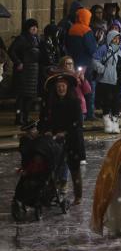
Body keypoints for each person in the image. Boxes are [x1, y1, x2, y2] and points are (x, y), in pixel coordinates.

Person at [40, 74, 86, 204]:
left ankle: (78, 196)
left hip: (72, 140)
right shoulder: (51, 103)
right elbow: (45, 120)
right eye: (58, 86)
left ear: (67, 87)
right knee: (52, 167)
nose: (61, 88)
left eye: (63, 86)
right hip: (55, 141)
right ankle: (52, 193)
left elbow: (77, 122)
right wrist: (47, 130)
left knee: (74, 169)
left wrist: (65, 132)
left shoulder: (74, 102)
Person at [93, 29, 121, 134]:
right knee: (107, 102)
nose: (116, 40)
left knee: (116, 103)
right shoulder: (104, 48)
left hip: (118, 80)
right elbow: (95, 60)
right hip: (106, 81)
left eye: (118, 38)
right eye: (114, 38)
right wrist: (102, 69)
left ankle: (115, 124)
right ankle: (107, 123)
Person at [65, 9, 98, 118]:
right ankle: (90, 113)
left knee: (77, 89)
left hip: (73, 64)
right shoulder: (86, 30)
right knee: (88, 89)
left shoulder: (71, 29)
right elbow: (92, 49)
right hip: (86, 65)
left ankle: (79, 112)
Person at [9, 18, 40, 126]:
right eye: (32, 27)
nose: (35, 29)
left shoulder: (36, 39)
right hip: (23, 71)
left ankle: (26, 117)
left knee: (30, 96)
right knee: (21, 96)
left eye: (36, 27)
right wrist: (18, 63)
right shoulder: (21, 39)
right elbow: (11, 50)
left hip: (33, 71)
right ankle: (19, 117)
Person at [58, 56, 92, 122]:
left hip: (80, 106)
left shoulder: (78, 75)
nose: (70, 65)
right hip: (66, 106)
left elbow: (88, 90)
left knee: (78, 129)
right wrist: (74, 78)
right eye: (68, 63)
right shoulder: (60, 76)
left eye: (71, 63)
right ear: (62, 65)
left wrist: (83, 79)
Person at [39, 23, 62, 88]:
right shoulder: (45, 43)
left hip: (53, 66)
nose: (57, 35)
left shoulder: (54, 41)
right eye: (56, 33)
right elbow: (48, 58)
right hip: (48, 68)